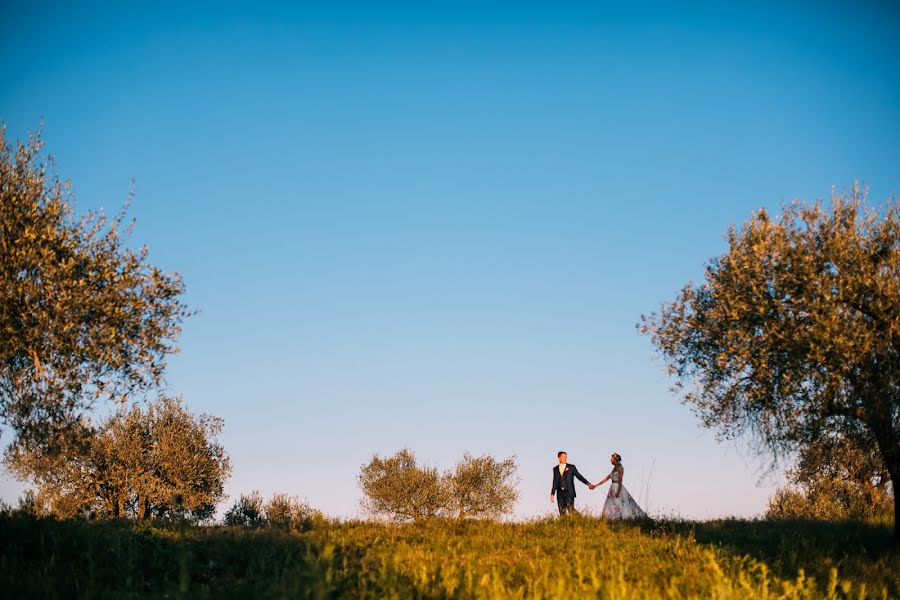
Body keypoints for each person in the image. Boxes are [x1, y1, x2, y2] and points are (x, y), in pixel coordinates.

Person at [592, 452, 647, 519]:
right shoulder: (614, 469)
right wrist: (595, 485)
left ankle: (623, 518)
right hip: (612, 488)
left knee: (621, 504)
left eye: (611, 459)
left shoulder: (620, 468)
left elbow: (620, 480)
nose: (610, 460)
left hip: (618, 488)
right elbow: (606, 479)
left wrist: (618, 492)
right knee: (612, 505)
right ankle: (614, 518)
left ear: (615, 460)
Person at [550, 451, 592, 515]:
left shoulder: (571, 467)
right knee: (562, 511)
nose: (565, 458)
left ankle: (580, 519)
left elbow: (579, 476)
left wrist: (588, 483)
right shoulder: (555, 469)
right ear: (559, 458)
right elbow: (555, 482)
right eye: (563, 457)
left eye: (566, 457)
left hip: (569, 492)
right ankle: (563, 524)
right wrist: (552, 493)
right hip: (560, 493)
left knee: (570, 509)